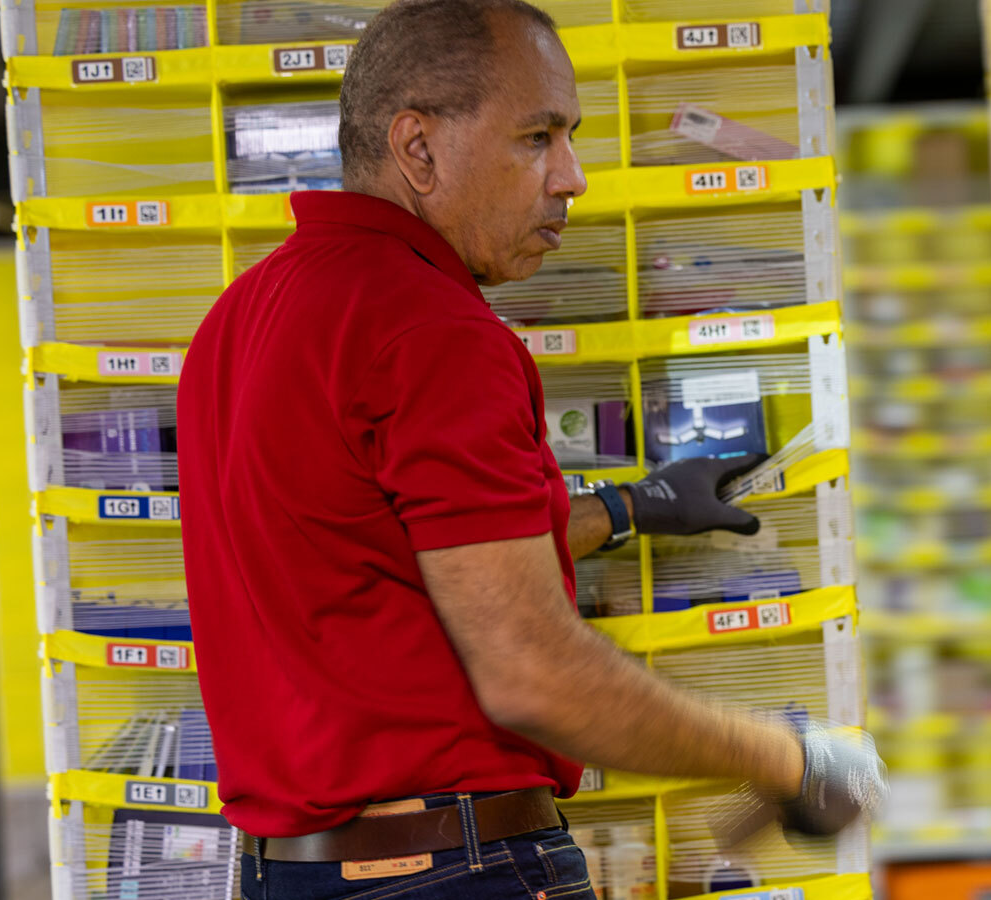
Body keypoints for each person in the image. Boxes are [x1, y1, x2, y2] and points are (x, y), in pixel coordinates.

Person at [176, 1, 885, 898]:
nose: (572, 177)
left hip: (293, 875)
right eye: (538, 136)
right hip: (451, 869)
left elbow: (383, 560)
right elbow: (530, 674)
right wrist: (789, 756)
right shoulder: (434, 329)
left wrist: (630, 509)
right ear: (419, 147)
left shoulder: (240, 321)